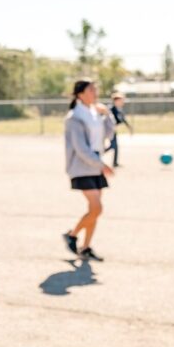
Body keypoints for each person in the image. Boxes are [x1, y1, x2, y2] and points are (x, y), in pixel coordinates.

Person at [62, 79, 115, 261]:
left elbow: (108, 135)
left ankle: (85, 247)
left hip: (95, 165)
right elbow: (81, 149)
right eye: (91, 89)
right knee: (96, 208)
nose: (95, 92)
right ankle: (72, 234)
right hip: (82, 167)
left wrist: (107, 115)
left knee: (95, 210)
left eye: (95, 88)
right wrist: (101, 164)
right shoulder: (74, 117)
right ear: (80, 94)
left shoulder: (94, 113)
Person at [104, 92, 131, 168]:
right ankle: (98, 154)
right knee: (113, 146)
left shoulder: (119, 109)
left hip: (113, 131)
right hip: (108, 131)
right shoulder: (111, 109)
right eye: (121, 100)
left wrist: (129, 127)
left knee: (115, 146)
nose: (123, 102)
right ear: (116, 100)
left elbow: (123, 119)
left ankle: (115, 162)